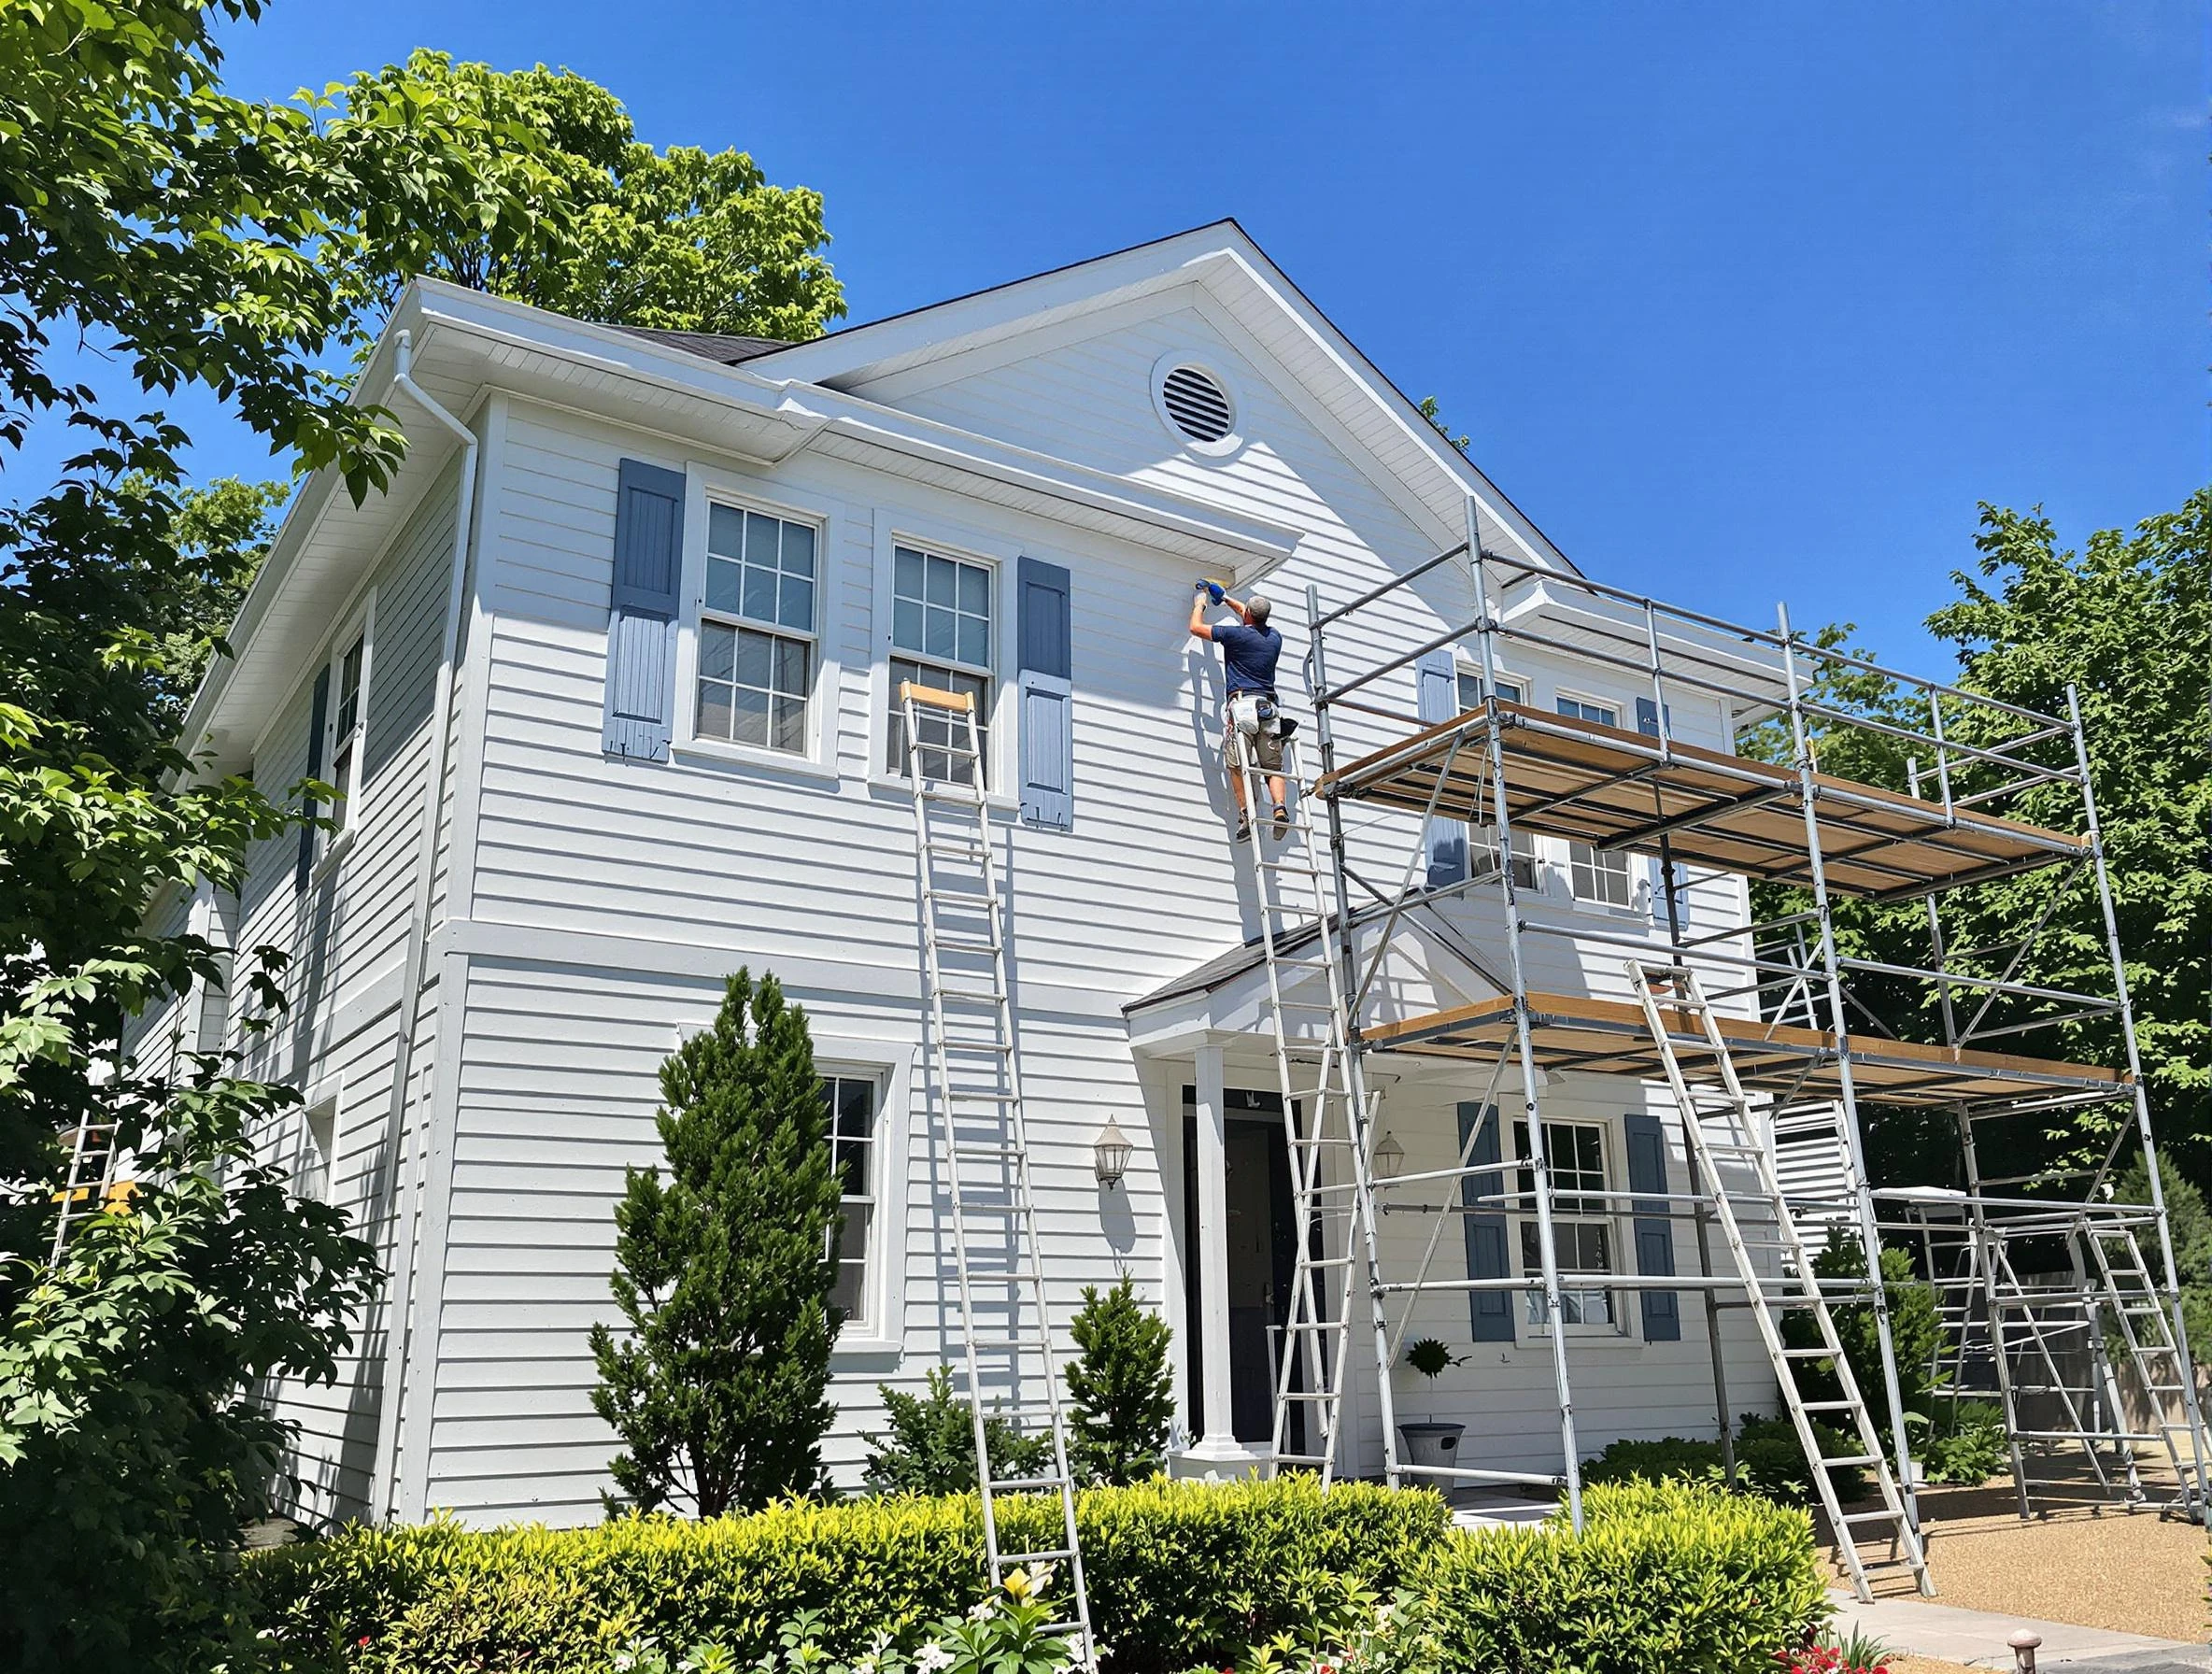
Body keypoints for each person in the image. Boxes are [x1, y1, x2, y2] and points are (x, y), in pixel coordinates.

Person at [1189, 579, 1290, 840]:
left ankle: (1246, 815)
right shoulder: (1274, 638)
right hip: (1269, 708)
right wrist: (1224, 598)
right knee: (1273, 767)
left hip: (1242, 707)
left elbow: (1196, 628)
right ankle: (1279, 808)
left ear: (1247, 616)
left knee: (1235, 764)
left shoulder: (1235, 635)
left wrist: (1200, 604)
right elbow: (1249, 613)